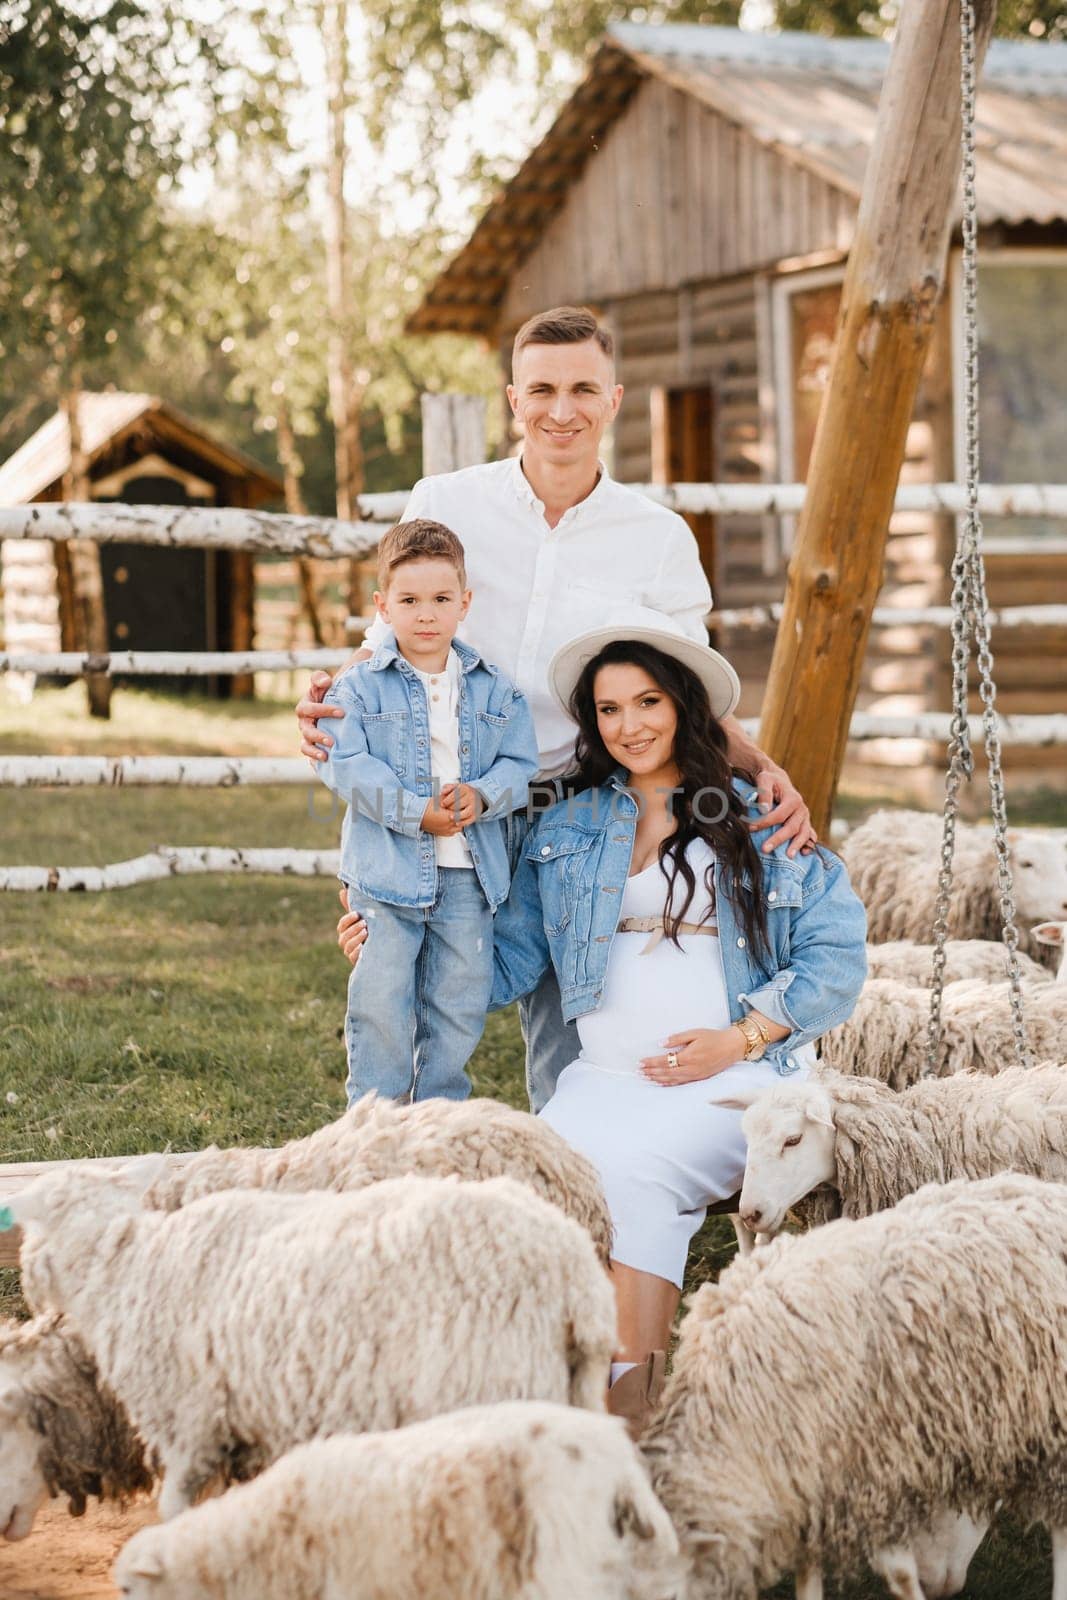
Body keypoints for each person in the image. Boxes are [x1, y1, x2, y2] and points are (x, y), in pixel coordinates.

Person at [301, 305, 817, 1110]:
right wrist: (331, 702)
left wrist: (765, 767)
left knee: (573, 1024)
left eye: (583, 388)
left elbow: (681, 693)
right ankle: (395, 1175)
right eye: (541, 389)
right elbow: (386, 644)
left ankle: (579, 1186)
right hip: (452, 807)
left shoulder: (657, 538)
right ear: (513, 398)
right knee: (405, 984)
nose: (561, 410)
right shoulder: (446, 501)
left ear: (614, 399)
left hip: (579, 809)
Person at [486, 617, 867, 1433]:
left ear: (684, 706)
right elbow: (508, 964)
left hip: (738, 1083)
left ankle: (632, 1414)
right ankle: (549, 1396)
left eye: (647, 701)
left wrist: (742, 1038)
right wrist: (390, 944)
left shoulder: (754, 816)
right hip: (602, 1083)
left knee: (633, 1177)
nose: (629, 726)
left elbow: (836, 962)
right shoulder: (568, 827)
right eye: (609, 709)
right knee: (530, 1185)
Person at [316, 518, 538, 1106]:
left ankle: (440, 1115)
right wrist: (416, 813)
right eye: (409, 600)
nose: (425, 614)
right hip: (387, 874)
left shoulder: (495, 691)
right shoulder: (360, 688)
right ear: (382, 607)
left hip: (469, 875)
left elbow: (521, 765)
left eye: (441, 599)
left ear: (464, 604)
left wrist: (483, 795)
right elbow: (344, 764)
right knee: (381, 998)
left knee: (458, 1000)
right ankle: (376, 1120)